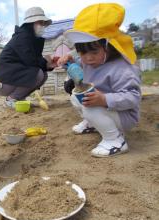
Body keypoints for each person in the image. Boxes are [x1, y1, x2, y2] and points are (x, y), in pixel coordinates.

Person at [58, 3, 141, 157]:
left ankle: (115, 140)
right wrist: (69, 62)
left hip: (124, 115)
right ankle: (92, 123)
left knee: (90, 106)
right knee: (76, 97)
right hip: (105, 107)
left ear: (109, 46)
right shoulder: (91, 60)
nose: (88, 58)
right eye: (82, 53)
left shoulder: (122, 69)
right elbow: (79, 67)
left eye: (94, 52)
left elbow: (133, 98)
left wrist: (104, 99)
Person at [0, 6, 57, 107]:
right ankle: (11, 99)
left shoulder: (32, 39)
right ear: (31, 23)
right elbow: (31, 61)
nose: (43, 26)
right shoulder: (22, 37)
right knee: (38, 74)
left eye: (43, 23)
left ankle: (19, 98)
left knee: (43, 74)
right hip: (3, 81)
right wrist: (46, 61)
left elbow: (35, 61)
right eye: (40, 23)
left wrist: (48, 65)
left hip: (12, 77)